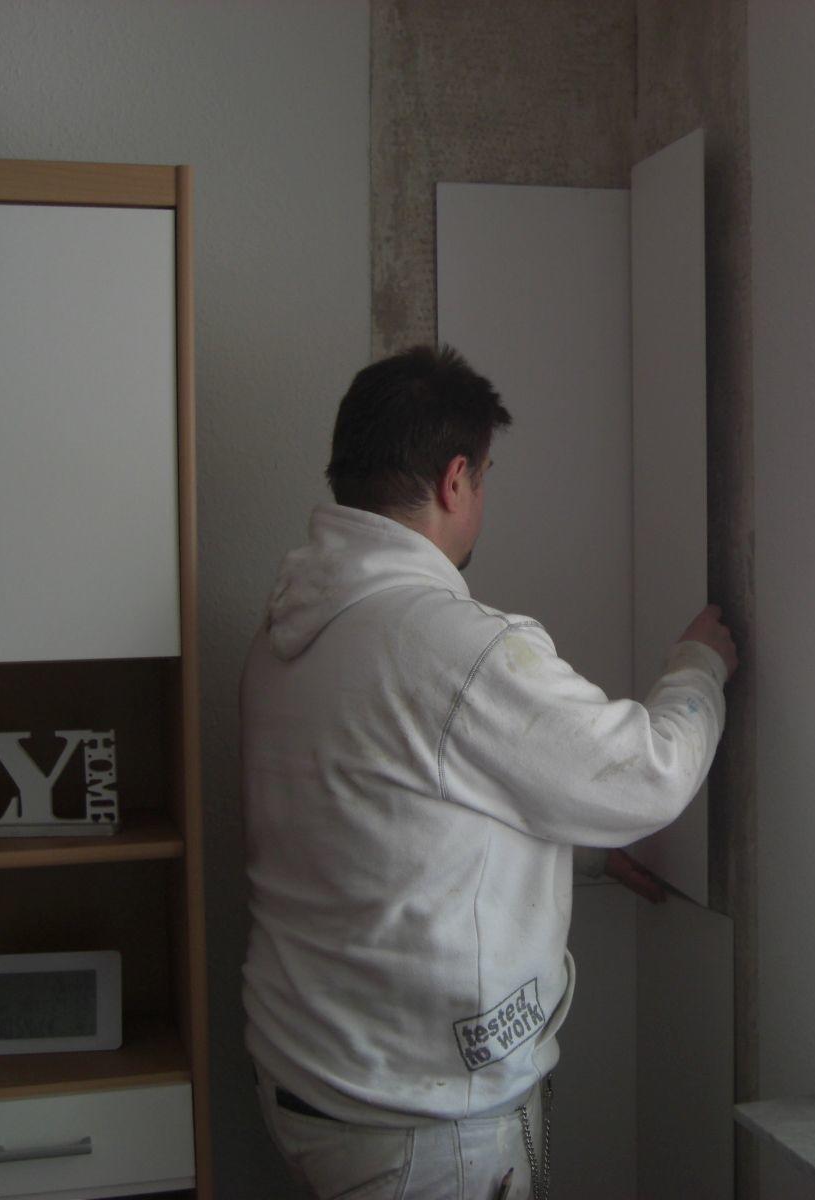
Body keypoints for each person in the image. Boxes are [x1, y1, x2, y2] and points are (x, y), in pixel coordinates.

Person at [240, 344, 736, 1199]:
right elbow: (648, 775)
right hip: (422, 1129)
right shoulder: (451, 647)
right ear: (455, 480)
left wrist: (570, 855)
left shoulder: (291, 630)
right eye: (485, 477)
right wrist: (699, 666)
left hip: (316, 1086)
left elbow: (379, 820)